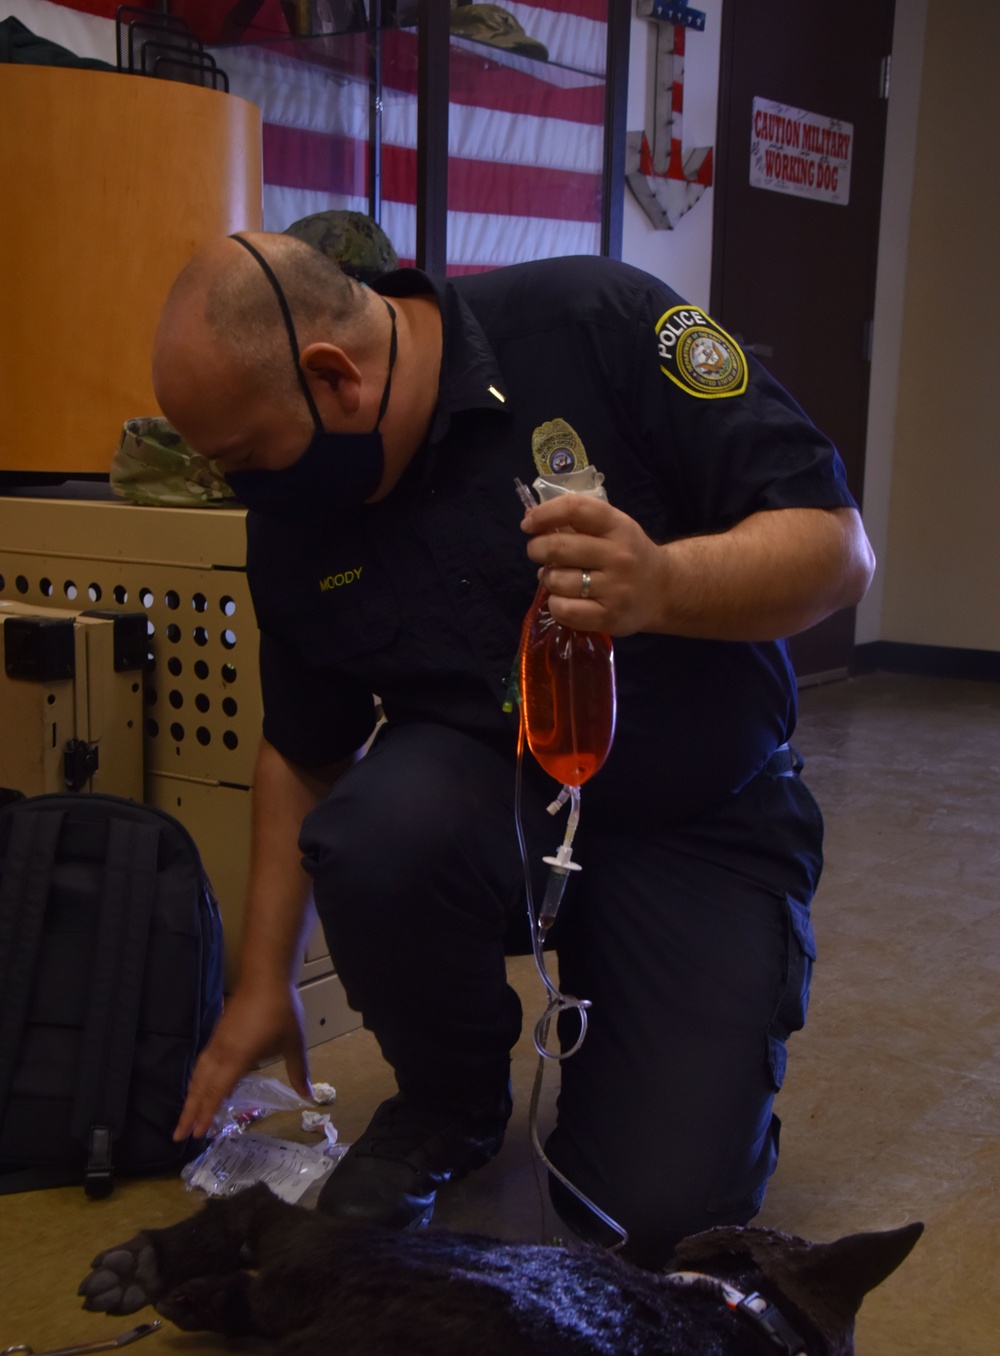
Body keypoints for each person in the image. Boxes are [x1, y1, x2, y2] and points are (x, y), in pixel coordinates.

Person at [154, 231, 874, 1266]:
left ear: (332, 378)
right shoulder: (300, 503)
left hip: (696, 812)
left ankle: (665, 1040)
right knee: (375, 832)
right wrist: (260, 979)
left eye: (243, 459)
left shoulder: (599, 325)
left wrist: (663, 583)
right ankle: (449, 1107)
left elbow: (837, 550)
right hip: (487, 798)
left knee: (658, 1217)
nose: (241, 491)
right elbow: (302, 750)